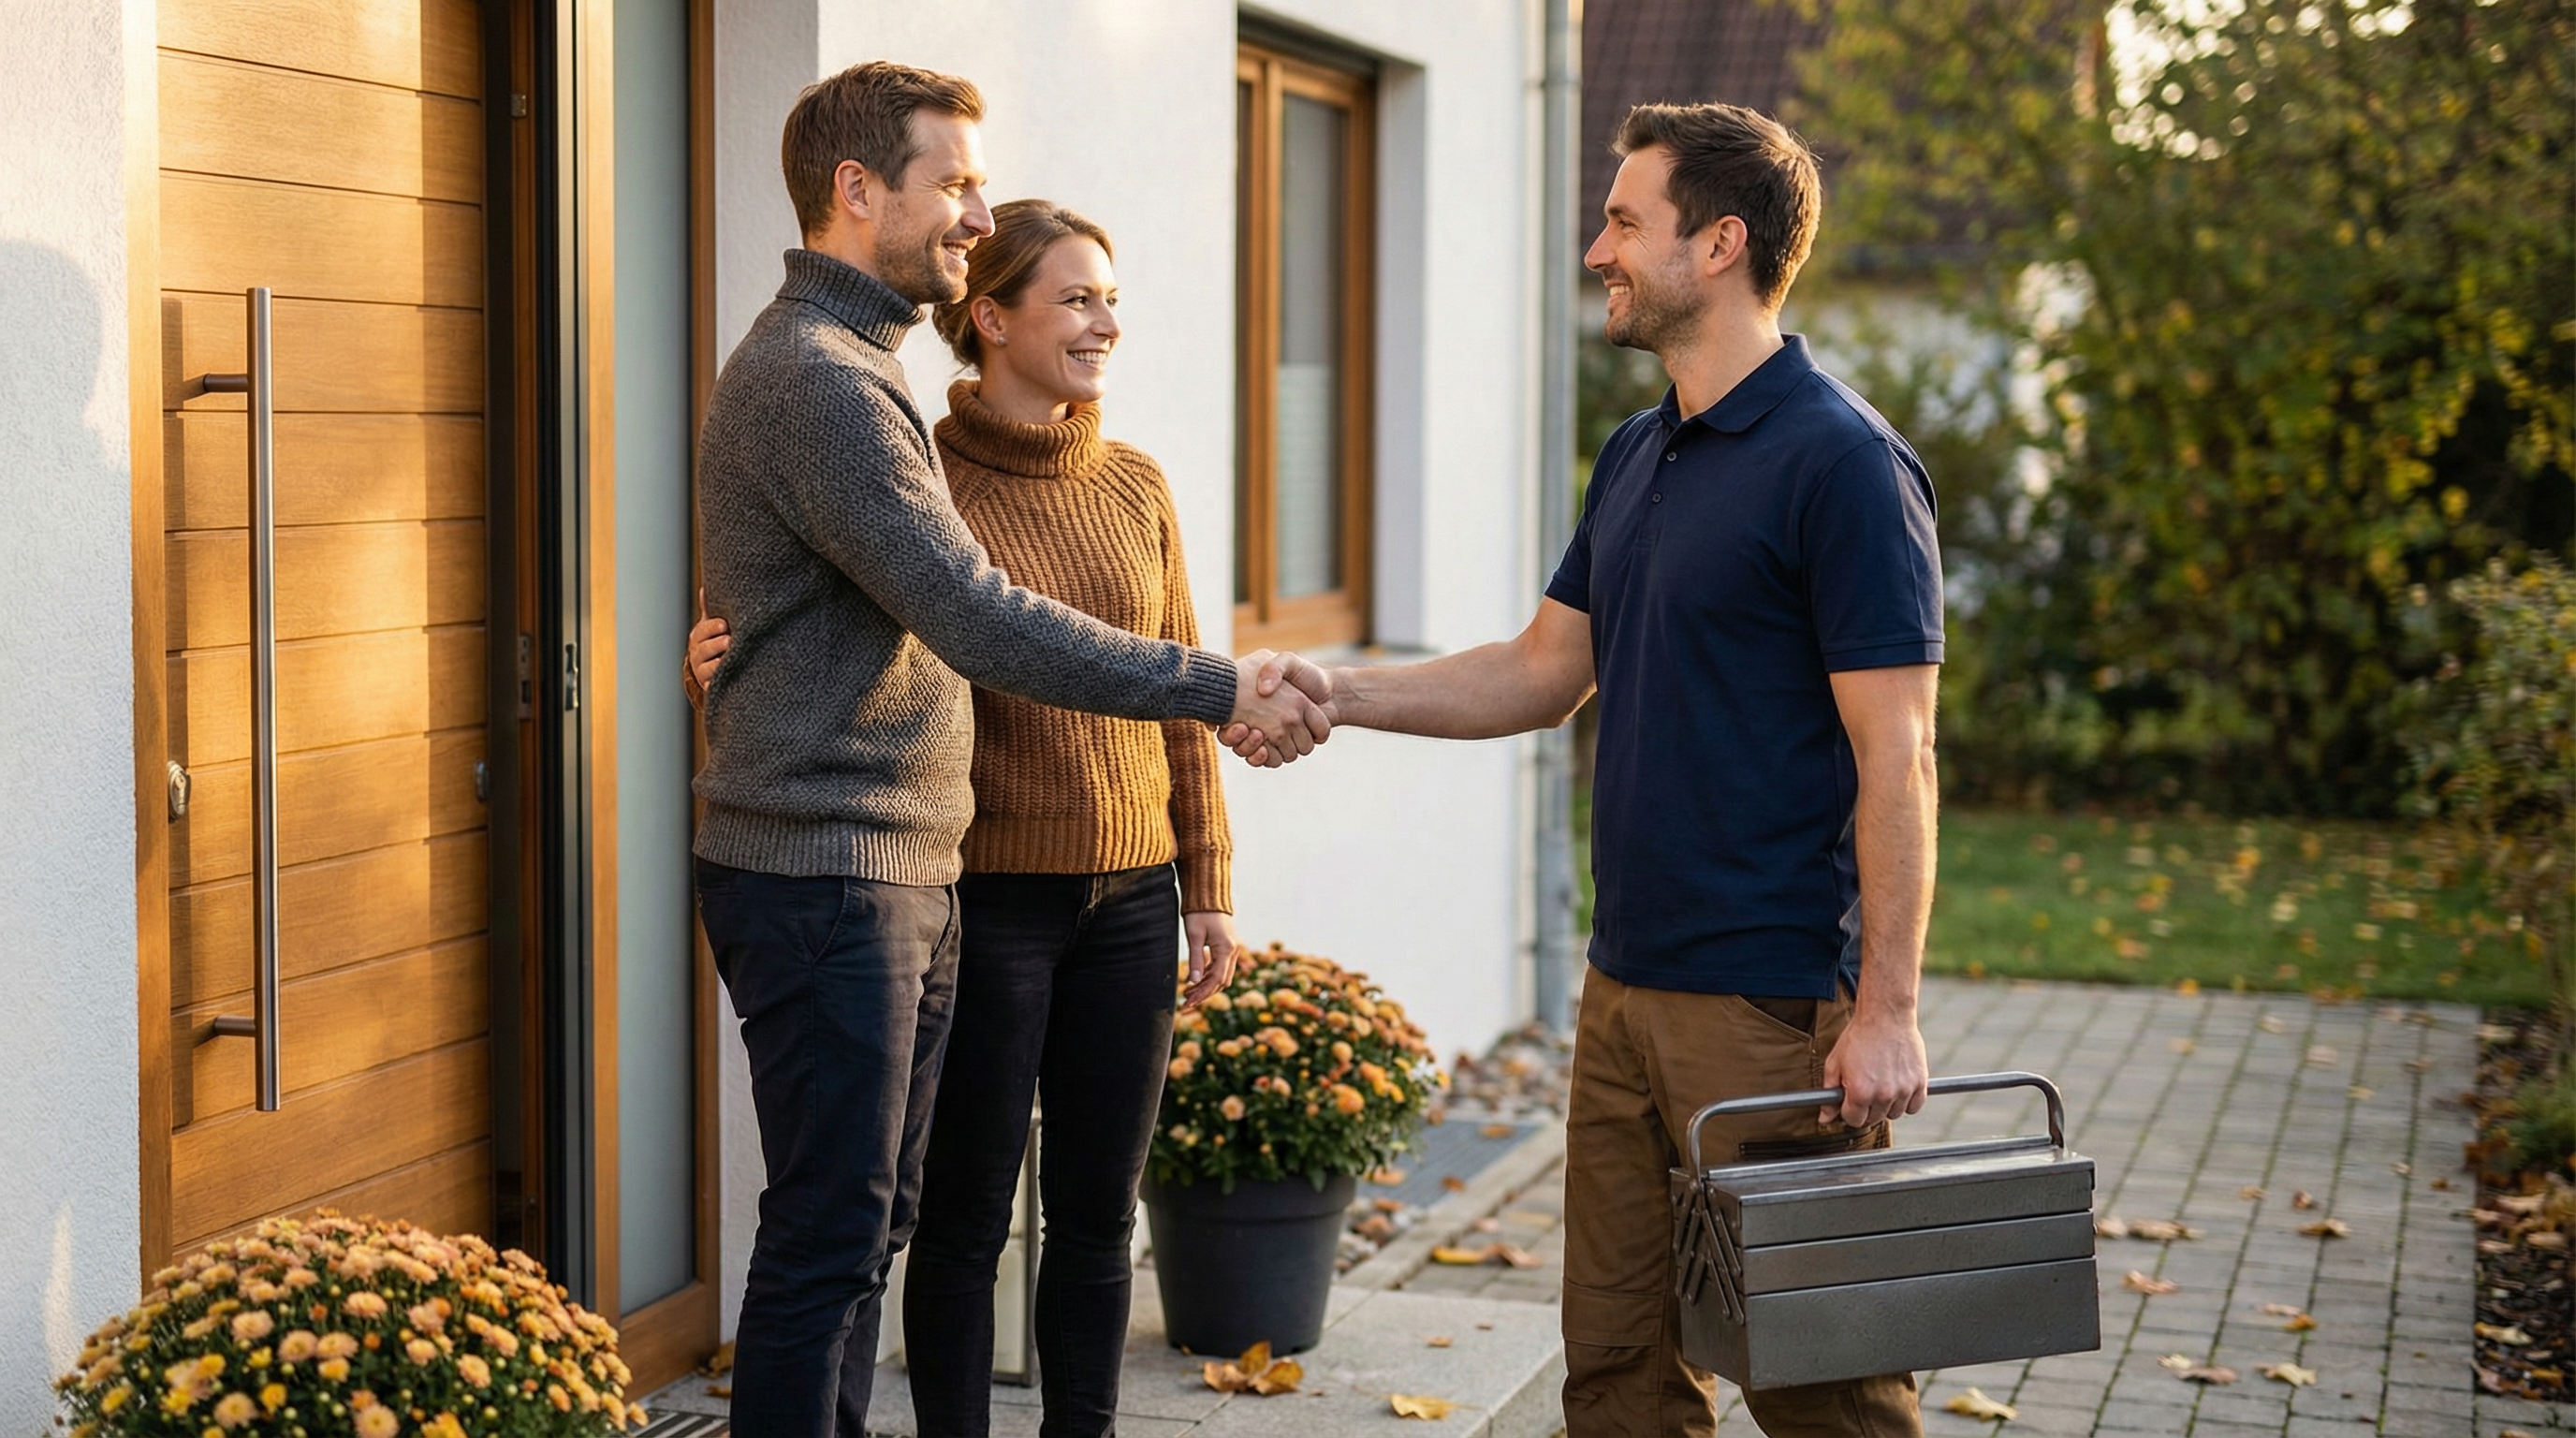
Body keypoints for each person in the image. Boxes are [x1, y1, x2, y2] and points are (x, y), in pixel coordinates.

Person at [1232, 102, 1941, 1438]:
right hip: (1622, 991)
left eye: (1624, 221)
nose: (1596, 250)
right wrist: (1338, 692)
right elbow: (1544, 669)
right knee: (1616, 1374)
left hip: (1769, 1004)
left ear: (1719, 244)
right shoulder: (1640, 449)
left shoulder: (1843, 462)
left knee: (1828, 1390)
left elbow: (1896, 755)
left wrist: (1887, 1008)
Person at [690, 62, 1325, 1438]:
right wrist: (1222, 686)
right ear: (860, 191)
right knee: (840, 1235)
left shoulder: (859, 369)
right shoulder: (824, 381)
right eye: (958, 183)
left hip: (891, 869)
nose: (977, 214)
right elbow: (974, 613)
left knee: (868, 1228)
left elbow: (843, 611)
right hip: (834, 868)